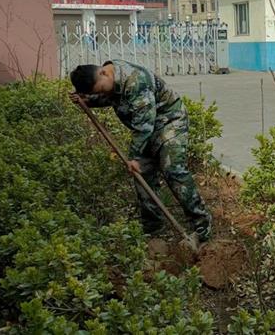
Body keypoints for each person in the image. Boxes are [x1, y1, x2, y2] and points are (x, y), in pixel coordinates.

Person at [69, 60, 212, 242]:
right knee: (142, 174)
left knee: (173, 169)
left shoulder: (136, 81)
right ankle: (153, 229)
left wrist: (135, 157)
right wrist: (87, 101)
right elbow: (109, 97)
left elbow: (144, 126)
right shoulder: (108, 80)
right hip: (145, 128)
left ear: (103, 73)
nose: (102, 94)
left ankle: (202, 225)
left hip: (169, 121)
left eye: (101, 90)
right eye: (97, 93)